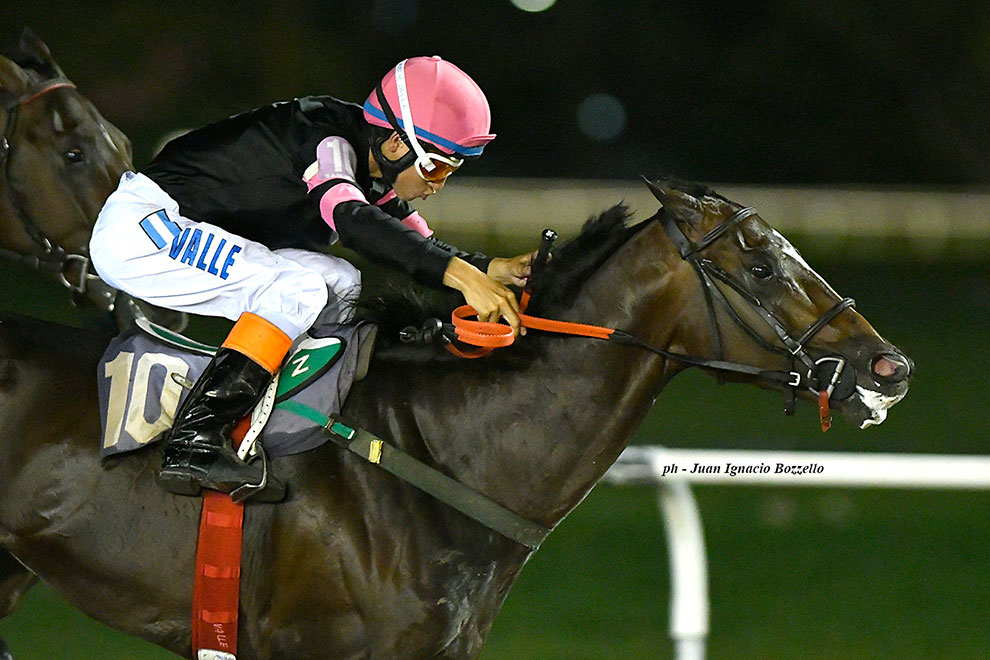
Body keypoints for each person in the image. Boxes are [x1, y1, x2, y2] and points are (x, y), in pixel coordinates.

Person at [89, 56, 533, 501]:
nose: (439, 184)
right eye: (436, 167)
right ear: (398, 143)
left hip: (185, 225)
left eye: (451, 171)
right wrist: (462, 278)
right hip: (144, 227)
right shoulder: (328, 142)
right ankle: (195, 439)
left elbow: (418, 244)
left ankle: (291, 417)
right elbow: (352, 219)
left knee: (339, 280)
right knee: (295, 288)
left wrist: (490, 268)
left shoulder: (370, 162)